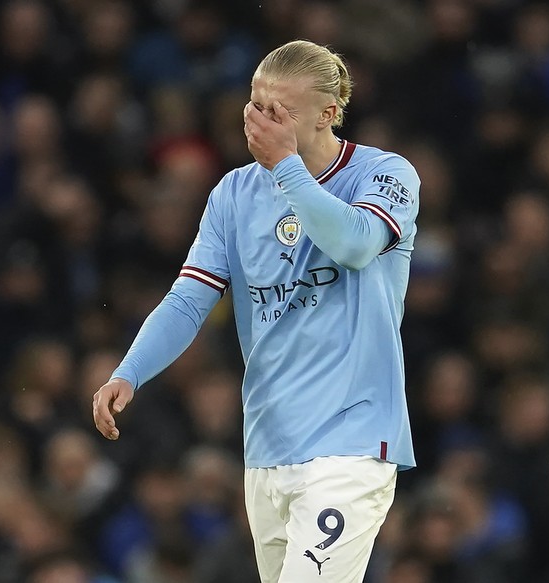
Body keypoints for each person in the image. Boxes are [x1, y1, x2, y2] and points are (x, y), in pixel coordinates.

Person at [92, 39, 420, 582]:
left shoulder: (385, 176)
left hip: (352, 442)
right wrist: (130, 370)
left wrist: (288, 170)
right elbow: (189, 299)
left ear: (328, 114)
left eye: (280, 111)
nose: (260, 122)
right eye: (255, 104)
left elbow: (357, 243)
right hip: (268, 445)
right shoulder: (233, 194)